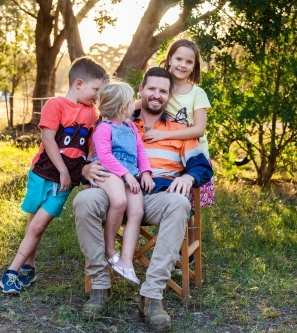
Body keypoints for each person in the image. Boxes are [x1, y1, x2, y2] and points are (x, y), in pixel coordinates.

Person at [73, 67, 213, 330]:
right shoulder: (118, 119)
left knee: (181, 203)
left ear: (169, 95)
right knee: (84, 201)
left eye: (163, 91)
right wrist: (84, 169)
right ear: (140, 90)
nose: (156, 95)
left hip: (155, 197)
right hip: (112, 193)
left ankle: (151, 296)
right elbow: (91, 157)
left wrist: (188, 178)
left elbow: (202, 166)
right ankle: (100, 287)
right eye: (152, 88)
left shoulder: (179, 130)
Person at [0, 56, 108, 294]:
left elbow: (91, 144)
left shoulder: (93, 112)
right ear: (79, 84)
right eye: (95, 90)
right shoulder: (55, 105)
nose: (97, 96)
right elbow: (48, 139)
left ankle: (11, 273)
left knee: (38, 225)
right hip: (43, 172)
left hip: (66, 180)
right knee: (33, 220)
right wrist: (61, 171)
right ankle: (30, 266)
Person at [141, 39, 215, 261]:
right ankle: (175, 243)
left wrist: (164, 135)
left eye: (189, 61)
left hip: (192, 155)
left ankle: (187, 247)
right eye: (179, 59)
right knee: (172, 198)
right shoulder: (162, 87)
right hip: (169, 157)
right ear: (169, 59)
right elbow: (135, 106)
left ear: (195, 66)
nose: (183, 64)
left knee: (185, 202)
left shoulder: (196, 93)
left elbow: (199, 129)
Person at [92, 81, 155, 286]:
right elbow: (105, 156)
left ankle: (126, 261)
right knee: (119, 202)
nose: (134, 105)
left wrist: (145, 172)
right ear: (122, 108)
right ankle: (109, 249)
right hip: (109, 172)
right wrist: (126, 175)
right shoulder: (104, 128)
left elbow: (140, 151)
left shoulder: (130, 127)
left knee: (136, 210)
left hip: (131, 174)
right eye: (131, 102)